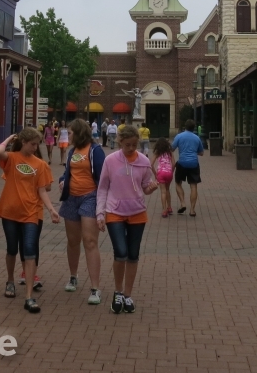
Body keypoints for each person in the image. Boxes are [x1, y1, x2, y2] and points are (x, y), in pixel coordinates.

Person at [0, 128, 60, 314]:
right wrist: (8, 138)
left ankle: (29, 296)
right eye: (32, 143)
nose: (35, 147)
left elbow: (42, 191)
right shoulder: (12, 158)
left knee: (30, 249)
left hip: (31, 213)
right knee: (12, 249)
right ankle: (10, 281)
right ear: (23, 142)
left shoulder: (40, 165)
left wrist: (52, 210)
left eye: (37, 144)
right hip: (10, 211)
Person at [96, 127, 158, 314]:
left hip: (137, 212)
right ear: (120, 142)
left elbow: (145, 187)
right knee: (120, 252)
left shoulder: (144, 161)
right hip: (114, 211)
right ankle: (118, 291)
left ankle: (128, 294)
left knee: (133, 254)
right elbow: (103, 188)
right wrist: (100, 213)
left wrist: (151, 188)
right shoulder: (110, 160)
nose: (131, 148)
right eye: (127, 145)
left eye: (134, 145)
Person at [58, 119, 107, 304]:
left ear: (79, 133)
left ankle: (95, 288)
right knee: (72, 241)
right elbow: (68, 172)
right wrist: (63, 180)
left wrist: (103, 205)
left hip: (90, 197)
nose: (67, 136)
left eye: (69, 133)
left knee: (89, 240)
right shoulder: (72, 152)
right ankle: (73, 276)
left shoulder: (95, 151)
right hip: (71, 197)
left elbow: (103, 176)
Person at [171, 122, 205, 216]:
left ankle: (182, 203)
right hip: (194, 163)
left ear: (184, 127)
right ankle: (192, 210)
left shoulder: (179, 136)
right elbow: (201, 152)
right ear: (194, 128)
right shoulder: (197, 138)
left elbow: (172, 148)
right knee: (193, 186)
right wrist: (193, 152)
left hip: (182, 163)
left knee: (178, 183)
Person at [150, 137, 174, 218]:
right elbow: (173, 163)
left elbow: (151, 165)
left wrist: (155, 174)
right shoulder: (170, 152)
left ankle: (164, 210)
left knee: (163, 191)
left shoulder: (157, 152)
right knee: (167, 190)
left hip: (161, 172)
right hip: (169, 172)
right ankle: (169, 207)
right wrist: (172, 171)